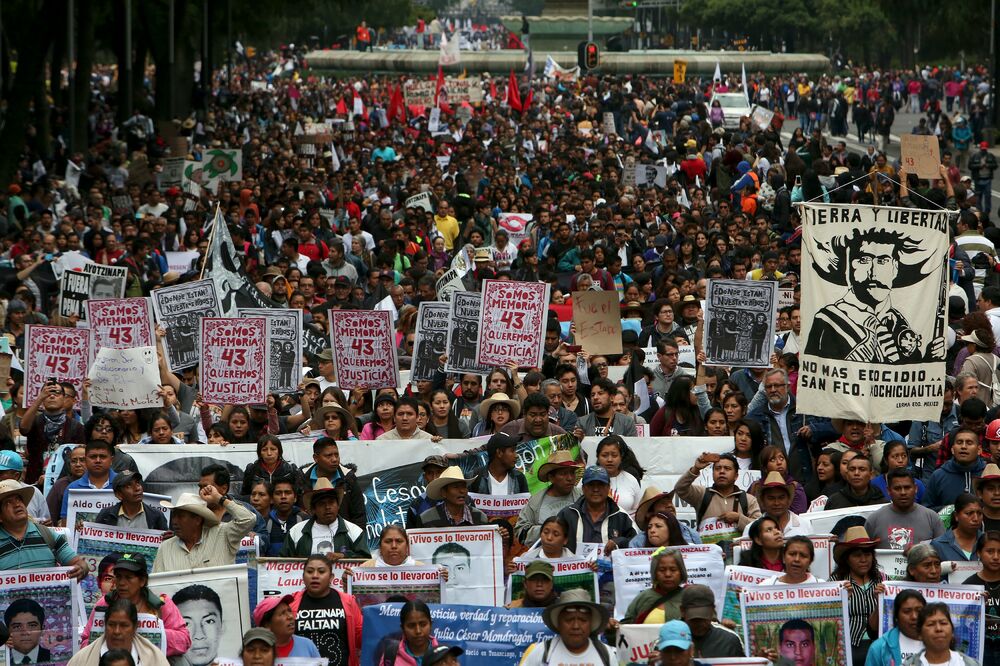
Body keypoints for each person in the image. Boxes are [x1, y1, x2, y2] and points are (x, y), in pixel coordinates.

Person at [804, 227, 941, 363]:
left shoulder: (898, 321)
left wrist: (928, 359)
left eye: (883, 261)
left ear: (895, 268)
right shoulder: (827, 321)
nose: (874, 272)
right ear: (849, 267)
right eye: (864, 260)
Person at [82, 553, 190, 657]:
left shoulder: (160, 604)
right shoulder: (105, 603)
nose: (121, 583)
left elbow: (184, 640)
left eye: (128, 578)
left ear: (142, 581)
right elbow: (86, 640)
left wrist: (150, 632)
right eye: (118, 577)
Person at [153, 483, 256, 572]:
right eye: (174, 516)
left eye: (180, 516)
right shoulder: (165, 548)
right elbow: (156, 587)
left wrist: (219, 498)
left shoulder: (223, 534)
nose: (174, 521)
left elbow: (248, 519)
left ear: (197, 520)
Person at [0, 479, 87, 578]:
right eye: (8, 503)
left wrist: (81, 568)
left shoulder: (47, 534)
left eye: (18, 499)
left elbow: (78, 562)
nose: (16, 504)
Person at [290, 554, 364, 666]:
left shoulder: (348, 602)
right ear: (303, 576)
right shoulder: (290, 603)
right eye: (309, 571)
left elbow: (361, 638)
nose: (315, 576)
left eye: (321, 571)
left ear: (331, 577)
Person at [518, 588, 617, 665]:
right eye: (569, 620)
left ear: (591, 623)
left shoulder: (607, 654)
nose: (576, 626)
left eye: (583, 620)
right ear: (558, 623)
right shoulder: (540, 652)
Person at [829, 527, 884, 664]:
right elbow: (827, 619)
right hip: (848, 647)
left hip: (880, 645)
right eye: (857, 555)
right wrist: (840, 600)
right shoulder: (836, 583)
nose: (863, 559)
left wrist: (881, 602)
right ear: (847, 559)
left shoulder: (885, 581)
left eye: (867, 554)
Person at [280, 477, 370, 559]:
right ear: (313, 509)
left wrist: (344, 555)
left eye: (331, 502)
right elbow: (282, 564)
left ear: (338, 506)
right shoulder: (296, 532)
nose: (327, 507)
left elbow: (365, 561)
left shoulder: (354, 531)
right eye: (322, 504)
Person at [556, 465, 636, 554]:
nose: (596, 489)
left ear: (608, 488)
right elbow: (551, 539)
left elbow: (636, 542)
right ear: (583, 488)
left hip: (610, 567)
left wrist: (619, 542)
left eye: (601, 485)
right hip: (574, 566)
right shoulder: (568, 514)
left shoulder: (621, 515)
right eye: (591, 485)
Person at [674, 451, 760, 533]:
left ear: (736, 476)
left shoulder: (749, 499)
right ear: (712, 473)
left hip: (737, 548)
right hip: (708, 548)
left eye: (727, 468)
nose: (722, 471)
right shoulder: (702, 494)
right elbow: (680, 488)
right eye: (718, 468)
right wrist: (696, 469)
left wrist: (739, 518)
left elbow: (759, 527)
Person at [68, 599, 170, 666]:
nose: (116, 631)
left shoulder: (155, 660)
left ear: (135, 627)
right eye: (111, 625)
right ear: (105, 625)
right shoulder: (81, 661)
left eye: (124, 625)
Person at [865, 468, 945, 551]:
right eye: (897, 488)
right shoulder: (874, 520)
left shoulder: (932, 518)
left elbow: (942, 551)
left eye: (907, 487)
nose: (903, 492)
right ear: (888, 490)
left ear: (916, 488)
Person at [514, 451, 583, 544]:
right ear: (551, 477)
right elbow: (520, 531)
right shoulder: (535, 502)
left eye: (572, 473)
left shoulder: (582, 497)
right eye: (563, 473)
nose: (570, 478)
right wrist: (546, 531)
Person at [924, 427, 987, 509]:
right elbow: (927, 510)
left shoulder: (988, 473)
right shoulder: (938, 476)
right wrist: (951, 511)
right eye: (959, 442)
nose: (963, 446)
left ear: (979, 450)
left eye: (969, 443)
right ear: (953, 449)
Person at [622, 548, 686, 624]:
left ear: (681, 572)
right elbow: (626, 629)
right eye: (662, 570)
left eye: (673, 569)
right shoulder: (643, 598)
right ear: (655, 572)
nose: (667, 574)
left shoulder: (689, 597)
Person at [903, 602, 980, 665]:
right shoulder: (910, 664)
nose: (938, 629)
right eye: (931, 624)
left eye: (943, 623)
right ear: (920, 634)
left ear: (952, 631)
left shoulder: (968, 664)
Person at [678, 584, 744, 658]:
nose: (700, 624)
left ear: (713, 610)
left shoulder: (729, 640)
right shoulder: (668, 638)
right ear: (682, 611)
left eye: (704, 618)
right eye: (694, 619)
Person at [964, 531, 1000, 664]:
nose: (996, 557)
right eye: (990, 551)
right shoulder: (969, 586)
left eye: (999, 552)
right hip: (979, 652)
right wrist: (975, 610)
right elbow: (959, 623)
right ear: (978, 553)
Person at [865, 589, 927, 666]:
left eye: (919, 610)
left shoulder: (940, 643)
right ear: (897, 616)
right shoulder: (880, 648)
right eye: (907, 611)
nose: (914, 616)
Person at [61, 439, 117, 523]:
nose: (98, 460)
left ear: (111, 460)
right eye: (93, 457)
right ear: (86, 460)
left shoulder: (124, 484)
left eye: (102, 456)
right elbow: (66, 523)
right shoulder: (73, 488)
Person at [94, 470, 169, 530]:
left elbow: (165, 544)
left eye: (137, 483)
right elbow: (94, 540)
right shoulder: (106, 515)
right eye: (129, 486)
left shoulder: (156, 515)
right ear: (119, 495)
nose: (137, 488)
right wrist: (83, 531)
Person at [417, 466, 490, 528]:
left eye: (464, 487)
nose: (462, 491)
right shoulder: (427, 519)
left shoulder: (480, 517)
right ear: (444, 492)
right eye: (456, 487)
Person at [252, 594, 321, 659]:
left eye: (289, 611)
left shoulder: (307, 645)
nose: (290, 616)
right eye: (282, 613)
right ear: (266, 625)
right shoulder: (255, 654)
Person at [744, 471, 808, 537]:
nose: (776, 503)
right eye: (771, 498)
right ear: (762, 501)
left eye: (781, 498)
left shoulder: (804, 524)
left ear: (789, 500)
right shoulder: (751, 529)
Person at [377, 600, 440, 664]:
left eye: (423, 624)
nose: (418, 631)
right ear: (403, 628)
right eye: (411, 626)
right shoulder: (391, 657)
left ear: (431, 625)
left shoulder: (444, 656)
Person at [930, 493, 983, 562]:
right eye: (969, 513)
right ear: (956, 516)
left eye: (979, 513)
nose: (976, 518)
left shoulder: (988, 542)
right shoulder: (939, 545)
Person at [6, 598, 53, 664]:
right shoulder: (3, 658)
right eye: (17, 626)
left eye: (32, 625)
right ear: (7, 631)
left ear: (42, 630)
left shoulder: (55, 656)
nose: (25, 632)